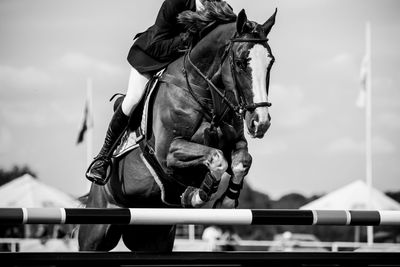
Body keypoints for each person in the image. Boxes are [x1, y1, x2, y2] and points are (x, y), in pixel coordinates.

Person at [86, 0, 222, 185]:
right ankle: (103, 158)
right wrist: (189, 39)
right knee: (133, 99)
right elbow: (157, 44)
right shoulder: (176, 3)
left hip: (181, 66)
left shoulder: (220, 7)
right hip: (151, 56)